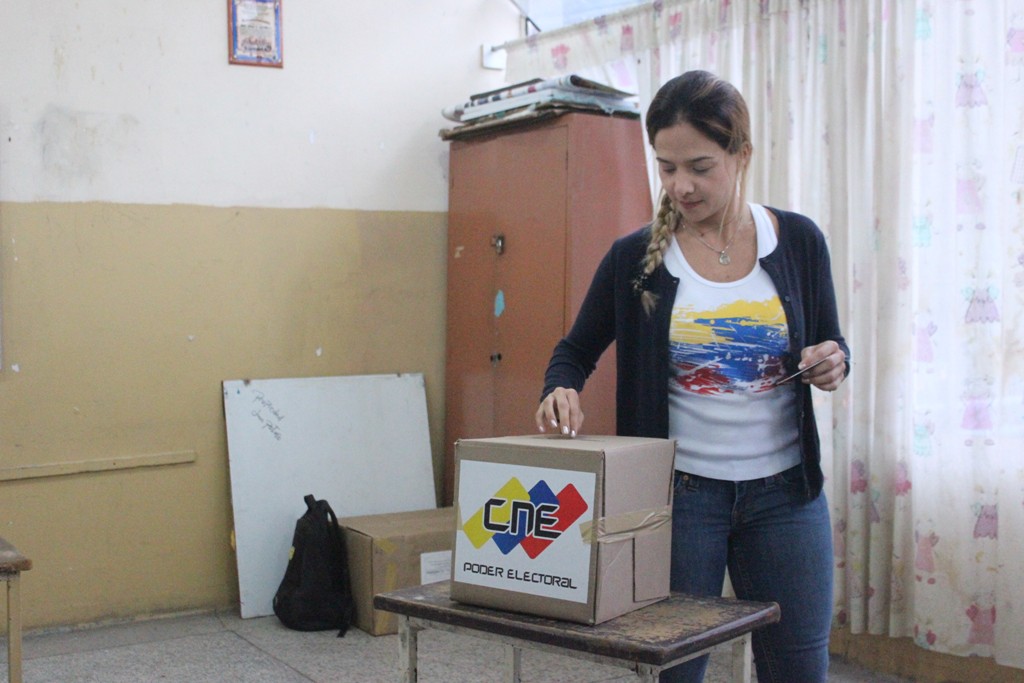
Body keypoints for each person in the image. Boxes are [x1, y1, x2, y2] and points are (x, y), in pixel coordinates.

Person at [534, 70, 850, 683]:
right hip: (679, 501)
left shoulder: (800, 241)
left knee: (798, 667)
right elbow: (574, 352)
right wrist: (559, 389)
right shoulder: (634, 259)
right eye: (666, 166)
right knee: (672, 671)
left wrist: (834, 362)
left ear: (742, 154)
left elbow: (833, 344)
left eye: (700, 166)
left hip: (787, 498)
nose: (681, 185)